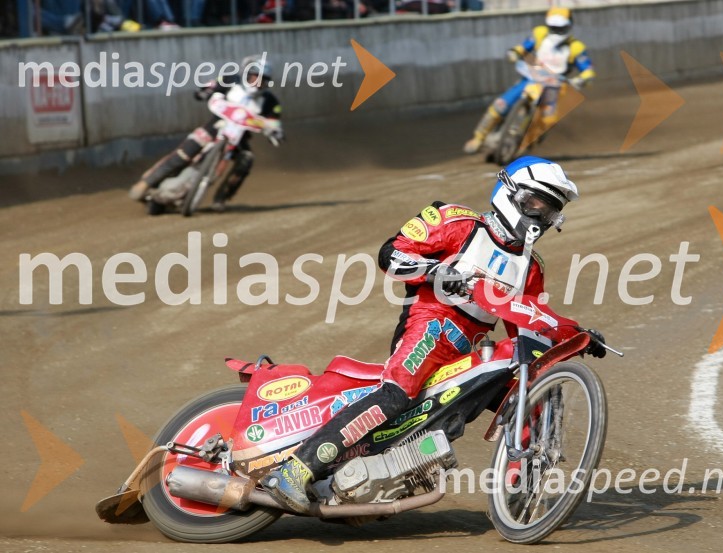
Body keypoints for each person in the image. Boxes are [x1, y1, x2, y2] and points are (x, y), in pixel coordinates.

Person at [262, 155, 606, 513]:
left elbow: (526, 324)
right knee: (396, 397)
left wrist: (574, 335)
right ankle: (294, 471)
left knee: (534, 388)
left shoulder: (531, 267)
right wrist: (436, 271)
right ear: (511, 193)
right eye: (536, 203)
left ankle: (519, 490)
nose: (541, 216)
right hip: (430, 326)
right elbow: (390, 253)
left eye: (550, 210)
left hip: (473, 353)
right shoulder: (457, 221)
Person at [128, 55, 284, 211]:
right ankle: (146, 183)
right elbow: (209, 86)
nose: (257, 83)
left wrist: (275, 132)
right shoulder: (230, 80)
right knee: (185, 152)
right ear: (246, 73)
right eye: (255, 77)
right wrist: (205, 91)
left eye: (263, 79)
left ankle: (221, 198)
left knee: (247, 159)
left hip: (238, 139)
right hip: (214, 127)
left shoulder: (269, 101)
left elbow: (274, 121)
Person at [464, 7, 596, 154]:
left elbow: (587, 70)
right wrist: (515, 52)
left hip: (555, 86)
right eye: (553, 27)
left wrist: (581, 79)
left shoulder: (576, 48)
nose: (557, 31)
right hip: (532, 78)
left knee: (548, 120)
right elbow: (523, 47)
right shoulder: (539, 34)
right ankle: (478, 138)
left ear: (569, 25)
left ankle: (527, 142)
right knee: (500, 104)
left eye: (561, 27)